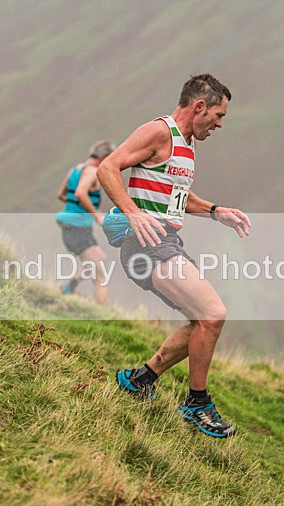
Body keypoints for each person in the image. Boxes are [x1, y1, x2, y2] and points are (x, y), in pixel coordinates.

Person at [97, 73, 251, 438]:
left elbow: (175, 195)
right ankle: (197, 404)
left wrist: (215, 211)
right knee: (213, 315)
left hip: (166, 242)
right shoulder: (159, 132)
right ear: (199, 107)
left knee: (202, 321)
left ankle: (141, 380)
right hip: (147, 244)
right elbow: (108, 168)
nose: (219, 124)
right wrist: (133, 213)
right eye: (218, 115)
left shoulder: (186, 144)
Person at [55, 140, 116, 306]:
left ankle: (99, 309)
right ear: (104, 157)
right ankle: (70, 288)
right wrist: (96, 215)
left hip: (70, 226)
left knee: (98, 268)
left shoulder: (75, 169)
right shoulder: (92, 172)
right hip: (78, 227)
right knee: (100, 265)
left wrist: (75, 206)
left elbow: (61, 195)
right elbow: (81, 193)